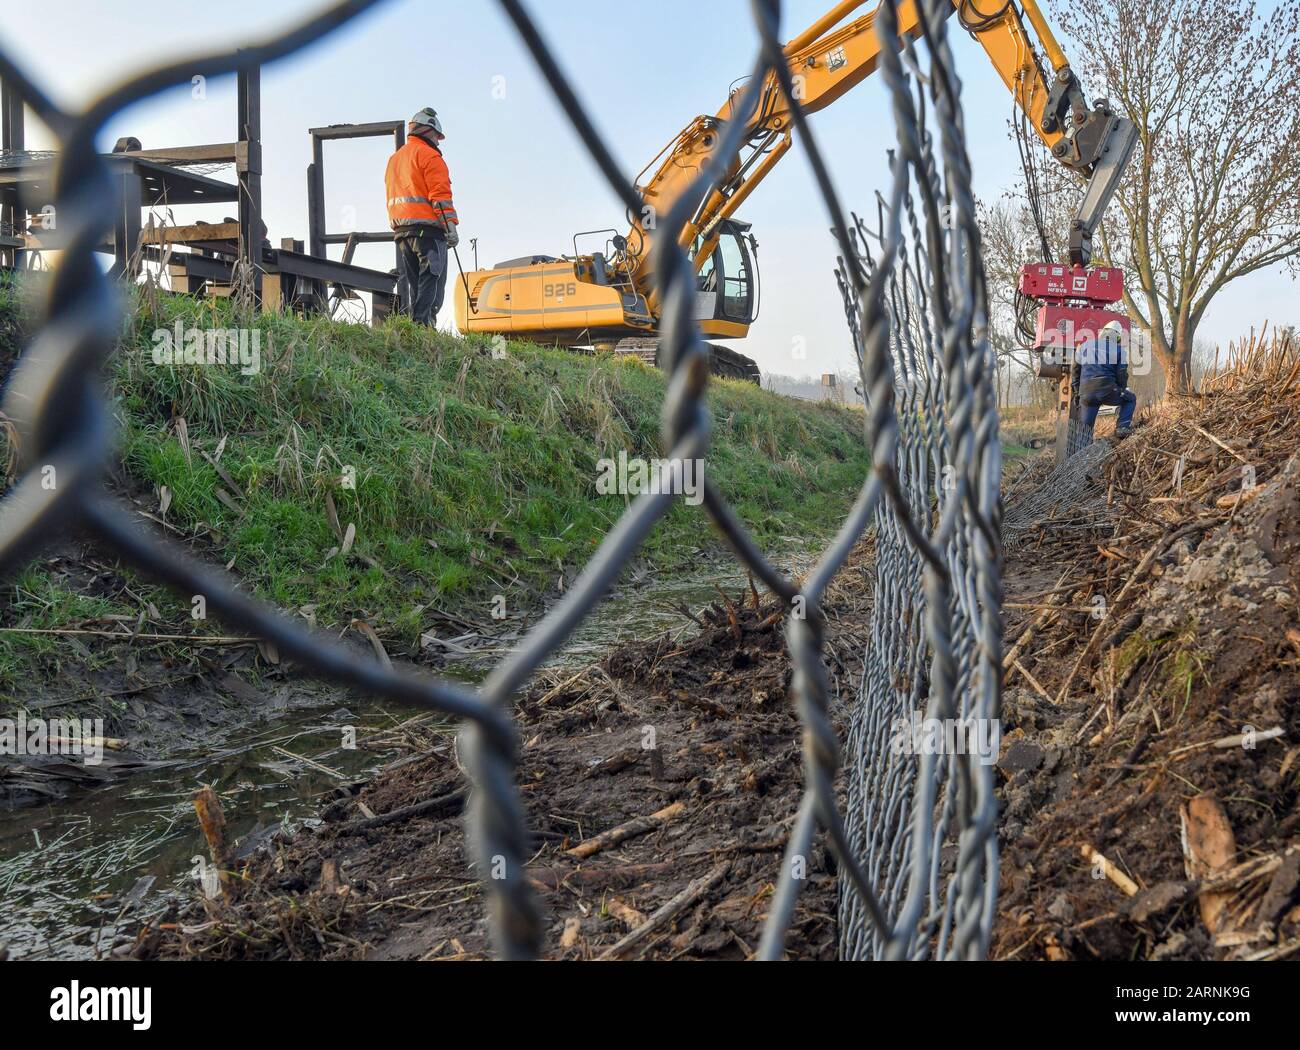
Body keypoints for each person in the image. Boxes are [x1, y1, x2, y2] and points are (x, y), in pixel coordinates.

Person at [385, 107, 459, 326]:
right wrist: (451, 228)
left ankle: (419, 327)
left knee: (417, 281)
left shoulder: (395, 159)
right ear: (428, 131)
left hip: (402, 231)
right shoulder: (430, 156)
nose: (438, 140)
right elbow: (440, 197)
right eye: (437, 135)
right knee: (433, 279)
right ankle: (422, 327)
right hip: (428, 230)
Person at [1078, 318, 1137, 438]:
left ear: (1102, 334)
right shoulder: (1120, 351)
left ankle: (1082, 450)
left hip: (1087, 394)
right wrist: (1122, 389)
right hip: (1108, 391)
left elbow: (1075, 370)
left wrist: (1076, 391)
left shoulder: (1084, 346)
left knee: (1085, 431)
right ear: (1117, 337)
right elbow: (1121, 374)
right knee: (1130, 399)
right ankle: (1122, 428)